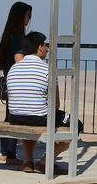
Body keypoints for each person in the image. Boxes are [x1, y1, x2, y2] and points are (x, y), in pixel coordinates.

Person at [6, 31, 83, 174]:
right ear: (40, 47)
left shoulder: (13, 68)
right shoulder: (48, 70)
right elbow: (56, 104)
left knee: (27, 118)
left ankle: (28, 162)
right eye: (45, 45)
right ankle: (44, 162)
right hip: (39, 117)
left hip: (15, 117)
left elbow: (11, 96)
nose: (47, 48)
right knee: (76, 125)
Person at [0, 1, 33, 165]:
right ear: (21, 16)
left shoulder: (8, 34)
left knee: (9, 115)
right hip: (18, 82)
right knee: (14, 117)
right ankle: (9, 154)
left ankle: (7, 153)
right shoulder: (18, 36)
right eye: (28, 15)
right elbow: (19, 60)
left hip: (10, 80)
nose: (29, 19)